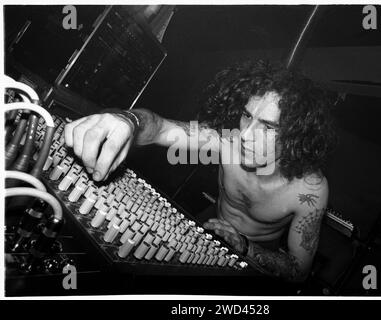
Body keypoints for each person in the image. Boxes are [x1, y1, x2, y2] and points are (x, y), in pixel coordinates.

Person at [64, 60, 336, 282]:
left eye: (268, 126)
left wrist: (244, 246)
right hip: (210, 226)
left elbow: (298, 270)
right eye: (247, 116)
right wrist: (128, 120)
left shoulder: (310, 190)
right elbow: (160, 128)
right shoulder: (228, 140)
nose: (246, 134)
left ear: (296, 135)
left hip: (256, 255)